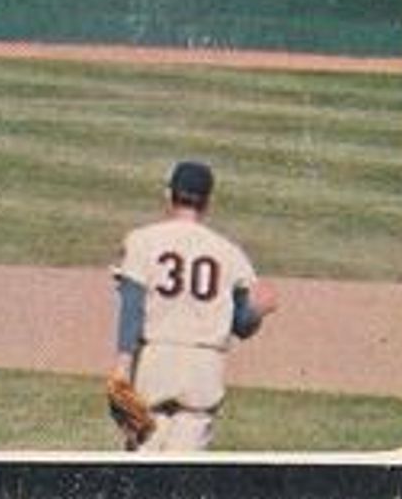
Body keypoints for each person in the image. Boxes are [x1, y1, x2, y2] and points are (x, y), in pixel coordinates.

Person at [110, 161, 279, 452]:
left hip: (155, 364)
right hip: (203, 369)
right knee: (185, 471)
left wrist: (122, 366)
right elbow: (241, 325)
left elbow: (132, 308)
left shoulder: (142, 241)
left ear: (168, 195)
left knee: (142, 467)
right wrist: (257, 312)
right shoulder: (229, 253)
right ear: (208, 202)